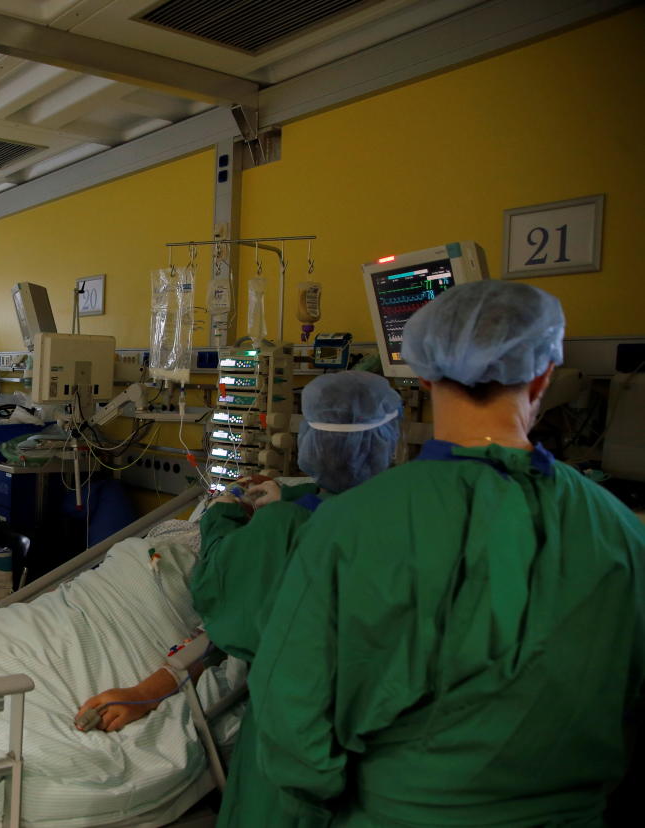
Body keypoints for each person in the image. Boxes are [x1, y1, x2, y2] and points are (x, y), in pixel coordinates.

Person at [251, 280, 645, 826]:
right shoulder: (618, 529)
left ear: (423, 373)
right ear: (544, 376)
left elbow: (292, 724)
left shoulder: (351, 524)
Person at [76, 371, 402, 828]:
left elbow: (223, 610)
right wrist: (288, 491)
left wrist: (225, 511)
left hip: (297, 737)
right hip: (387, 740)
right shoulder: (402, 520)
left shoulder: (279, 530)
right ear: (390, 441)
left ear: (308, 442)